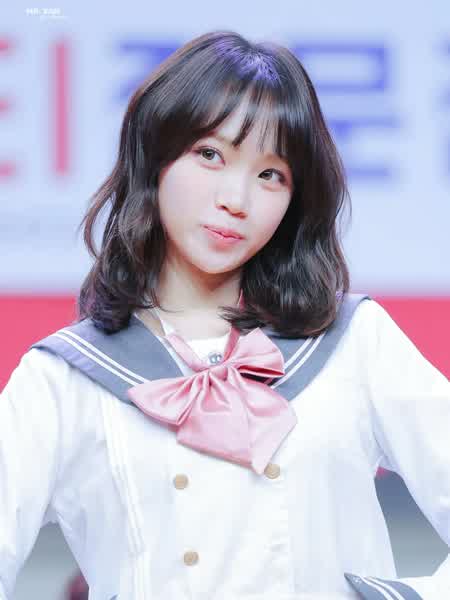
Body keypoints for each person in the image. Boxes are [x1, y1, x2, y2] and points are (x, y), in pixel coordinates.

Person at [1, 30, 449, 600]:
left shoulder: (355, 342)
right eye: (210, 155)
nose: (236, 199)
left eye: (271, 175)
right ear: (155, 156)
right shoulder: (64, 379)